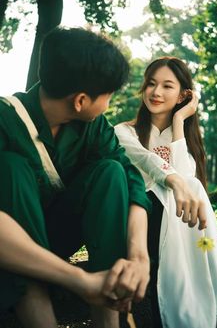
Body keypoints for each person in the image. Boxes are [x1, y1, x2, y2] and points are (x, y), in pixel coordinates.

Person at [0, 26, 154, 328]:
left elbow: (130, 179)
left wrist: (139, 256)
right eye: (108, 95)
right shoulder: (5, 121)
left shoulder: (92, 127)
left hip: (56, 235)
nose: (108, 104)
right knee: (11, 167)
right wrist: (79, 280)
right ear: (80, 100)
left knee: (111, 171)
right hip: (11, 250)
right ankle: (39, 315)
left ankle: (110, 318)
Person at [115, 57, 217, 328]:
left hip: (180, 222)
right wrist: (174, 181)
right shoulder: (124, 132)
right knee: (186, 185)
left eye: (167, 86)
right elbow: (152, 165)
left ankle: (216, 310)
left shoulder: (184, 137)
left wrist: (179, 119)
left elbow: (184, 177)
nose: (156, 92)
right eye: (151, 84)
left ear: (183, 95)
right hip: (141, 217)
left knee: (190, 184)